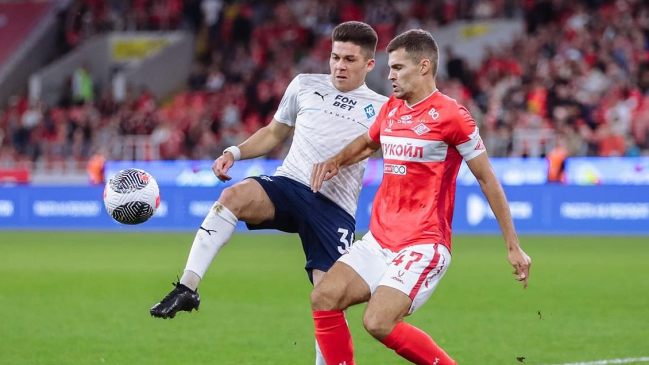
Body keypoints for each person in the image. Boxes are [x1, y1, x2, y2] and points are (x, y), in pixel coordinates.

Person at [149, 21, 388, 365]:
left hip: (334, 208)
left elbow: (377, 149)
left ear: (368, 64)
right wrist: (235, 151)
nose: (339, 65)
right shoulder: (305, 85)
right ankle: (187, 287)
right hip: (289, 185)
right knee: (233, 197)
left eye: (350, 59)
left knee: (328, 298)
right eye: (335, 57)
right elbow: (275, 132)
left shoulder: (381, 107)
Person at [309, 29, 532, 365]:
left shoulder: (453, 116)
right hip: (380, 239)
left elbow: (487, 179)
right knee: (323, 297)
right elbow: (370, 143)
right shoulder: (392, 109)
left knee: (377, 321)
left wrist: (513, 245)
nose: (389, 75)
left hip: (423, 243)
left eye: (397, 67)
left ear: (424, 67)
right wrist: (335, 161)